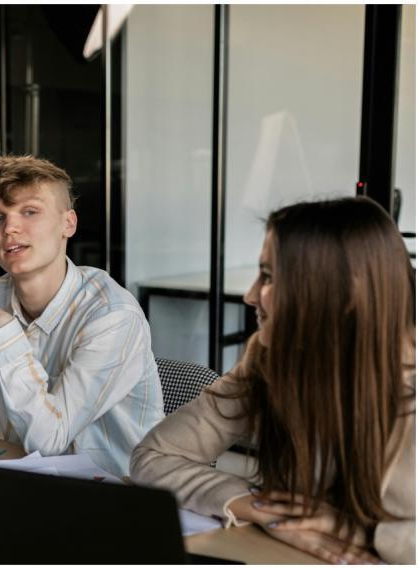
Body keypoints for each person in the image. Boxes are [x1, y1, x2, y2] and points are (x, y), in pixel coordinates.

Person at [131, 197, 415, 564]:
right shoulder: (269, 358)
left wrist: (343, 527)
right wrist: (261, 507)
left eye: (269, 277)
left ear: (343, 292)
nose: (250, 295)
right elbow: (154, 456)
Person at [0, 155, 164, 477]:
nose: (10, 228)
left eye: (29, 212)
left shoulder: (113, 316)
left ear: (68, 224)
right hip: (31, 477)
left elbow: (50, 440)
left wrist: (2, 331)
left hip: (118, 492)